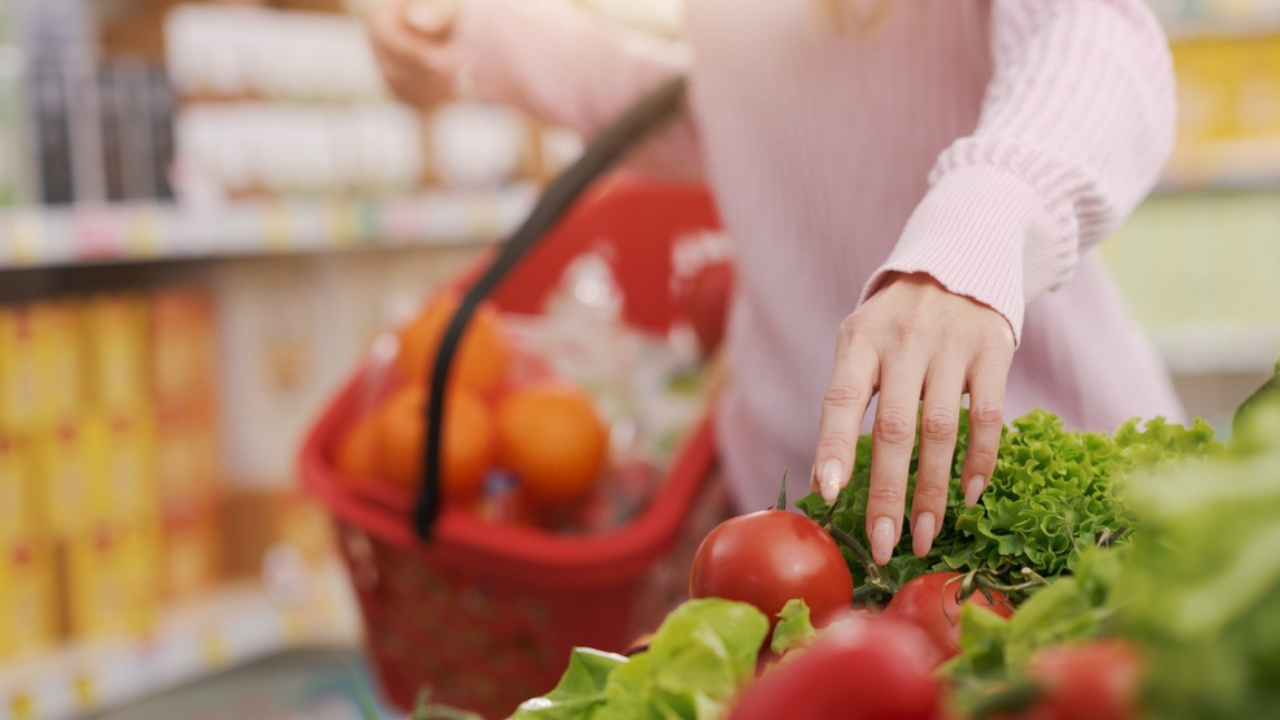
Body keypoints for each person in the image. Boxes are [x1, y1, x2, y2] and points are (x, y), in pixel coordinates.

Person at [367, 0, 1185, 566]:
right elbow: (733, 118)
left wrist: (983, 220)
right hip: (795, 517)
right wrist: (470, 33)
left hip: (1051, 495)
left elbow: (1093, 38)